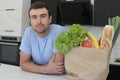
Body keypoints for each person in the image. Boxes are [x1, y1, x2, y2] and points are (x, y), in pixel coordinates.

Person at [19, 1, 65, 74]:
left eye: (43, 16)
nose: (39, 21)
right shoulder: (28, 32)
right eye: (34, 17)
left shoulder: (59, 31)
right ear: (30, 22)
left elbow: (57, 68)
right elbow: (23, 63)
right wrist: (45, 69)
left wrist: (33, 67)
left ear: (50, 19)